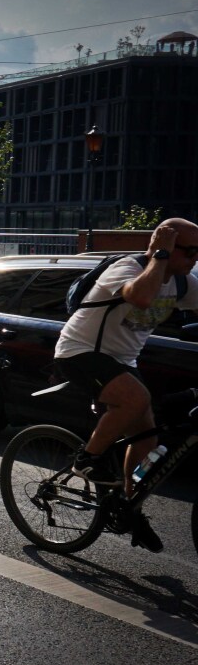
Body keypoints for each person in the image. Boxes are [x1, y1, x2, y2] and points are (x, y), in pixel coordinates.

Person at [55, 217, 198, 552]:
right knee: (136, 399)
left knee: (147, 437)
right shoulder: (127, 268)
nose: (195, 258)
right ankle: (86, 458)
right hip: (80, 351)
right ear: (165, 246)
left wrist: (172, 261)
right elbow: (142, 298)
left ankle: (128, 505)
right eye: (190, 250)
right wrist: (158, 257)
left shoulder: (183, 282)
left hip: (121, 361)